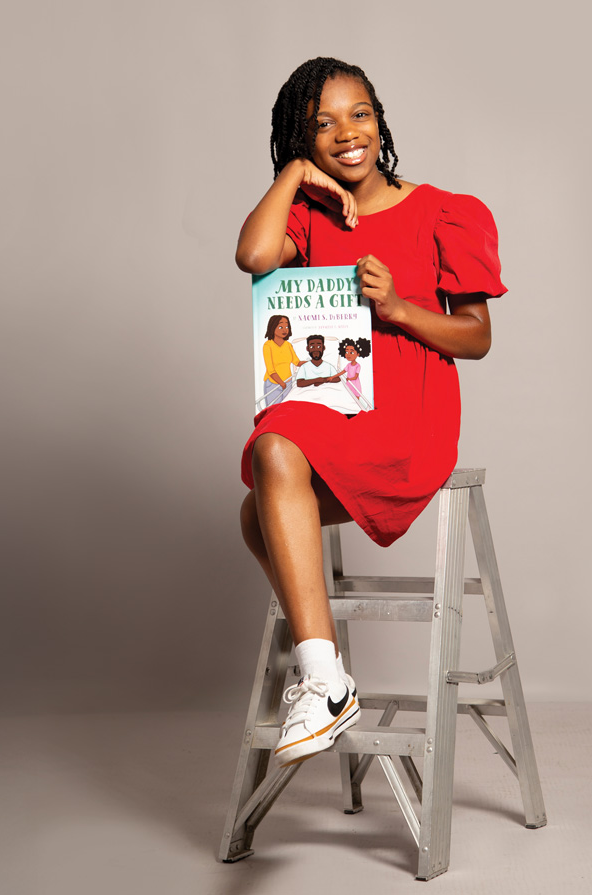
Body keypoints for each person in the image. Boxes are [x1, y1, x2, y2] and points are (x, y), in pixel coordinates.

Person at [236, 57, 505, 767]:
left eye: (358, 113)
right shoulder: (312, 216)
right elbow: (253, 254)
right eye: (320, 124)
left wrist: (397, 308)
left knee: (267, 468)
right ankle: (326, 677)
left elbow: (476, 336)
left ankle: (319, 678)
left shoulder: (446, 210)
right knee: (259, 489)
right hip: (336, 412)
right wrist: (293, 177)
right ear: (302, 138)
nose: (345, 133)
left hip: (409, 415)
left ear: (380, 119)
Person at [261, 314, 303, 406]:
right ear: (273, 327)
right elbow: (270, 370)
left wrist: (310, 363)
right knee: (274, 411)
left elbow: (297, 362)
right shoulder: (268, 345)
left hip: (287, 382)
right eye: (280, 327)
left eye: (287, 326)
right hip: (273, 383)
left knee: (286, 410)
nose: (284, 330)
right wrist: (281, 383)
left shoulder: (288, 345)